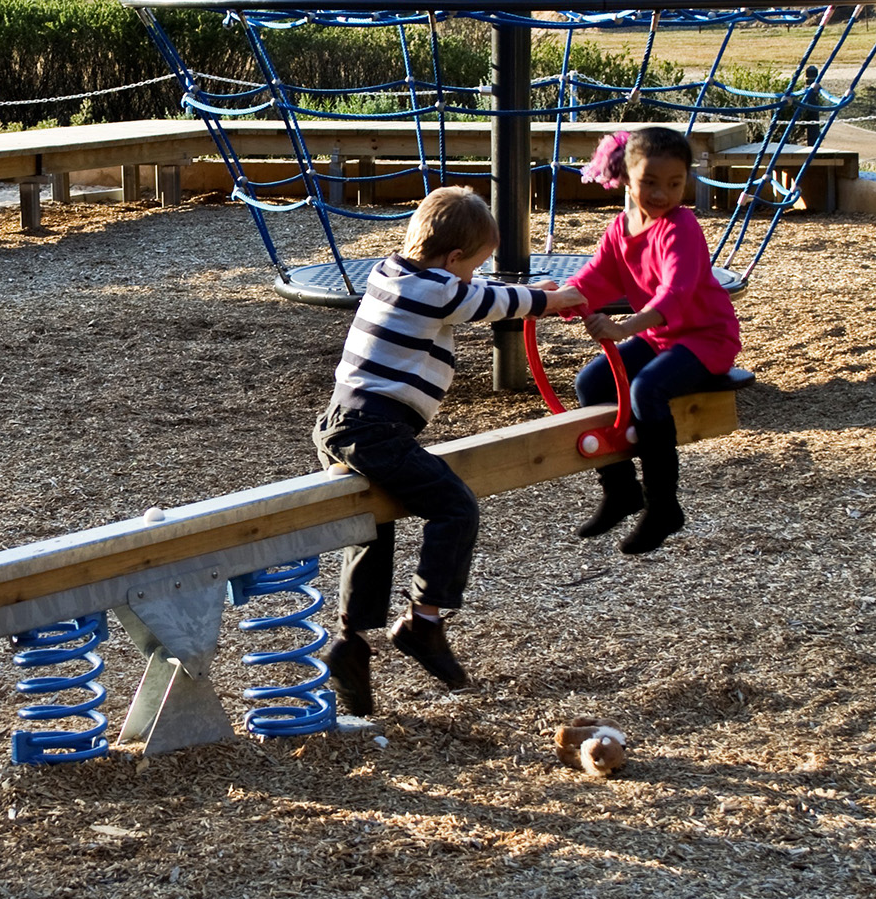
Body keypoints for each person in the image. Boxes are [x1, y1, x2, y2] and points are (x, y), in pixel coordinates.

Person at [313, 186, 587, 717]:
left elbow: (478, 289)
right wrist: (553, 299)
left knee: (372, 527)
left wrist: (530, 288)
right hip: (372, 429)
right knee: (454, 506)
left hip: (344, 423)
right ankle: (424, 621)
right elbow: (489, 301)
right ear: (453, 258)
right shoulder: (437, 290)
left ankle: (350, 643)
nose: (473, 277)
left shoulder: (393, 273)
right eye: (472, 266)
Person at [568, 126, 743, 554]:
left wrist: (624, 327)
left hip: (705, 337)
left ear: (687, 181)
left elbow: (676, 294)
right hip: (659, 335)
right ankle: (622, 489)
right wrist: (554, 298)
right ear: (626, 177)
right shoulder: (621, 229)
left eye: (675, 184)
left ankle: (664, 505)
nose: (663, 195)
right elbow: (596, 280)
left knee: (647, 389)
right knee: (591, 383)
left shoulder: (679, 228)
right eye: (650, 183)